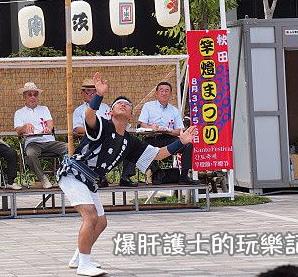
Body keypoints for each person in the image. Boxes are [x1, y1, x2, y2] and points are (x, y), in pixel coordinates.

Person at [57, 71, 197, 276]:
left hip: (89, 181)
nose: (123, 105)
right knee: (90, 215)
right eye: (118, 104)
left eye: (127, 104)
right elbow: (89, 116)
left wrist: (181, 142)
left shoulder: (130, 142)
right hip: (74, 173)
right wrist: (99, 95)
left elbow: (157, 155)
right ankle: (84, 265)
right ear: (111, 112)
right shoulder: (102, 126)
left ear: (131, 115)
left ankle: (79, 256)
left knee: (101, 222)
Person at [119, 80, 198, 187]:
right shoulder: (148, 106)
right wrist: (152, 128)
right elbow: (142, 125)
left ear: (170, 94)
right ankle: (127, 177)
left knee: (188, 145)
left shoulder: (174, 110)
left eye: (167, 91)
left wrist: (168, 130)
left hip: (168, 138)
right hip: (152, 138)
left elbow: (179, 131)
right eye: (161, 90)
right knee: (134, 145)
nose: (164, 93)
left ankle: (184, 176)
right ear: (156, 93)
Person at [14, 81, 67, 189]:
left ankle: (65, 176)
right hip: (33, 142)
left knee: (68, 148)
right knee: (30, 154)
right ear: (24, 96)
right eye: (30, 95)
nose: (33, 97)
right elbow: (18, 131)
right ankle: (43, 179)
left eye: (35, 94)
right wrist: (25, 127)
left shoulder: (44, 109)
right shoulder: (19, 112)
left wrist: (49, 128)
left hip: (48, 140)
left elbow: (50, 123)